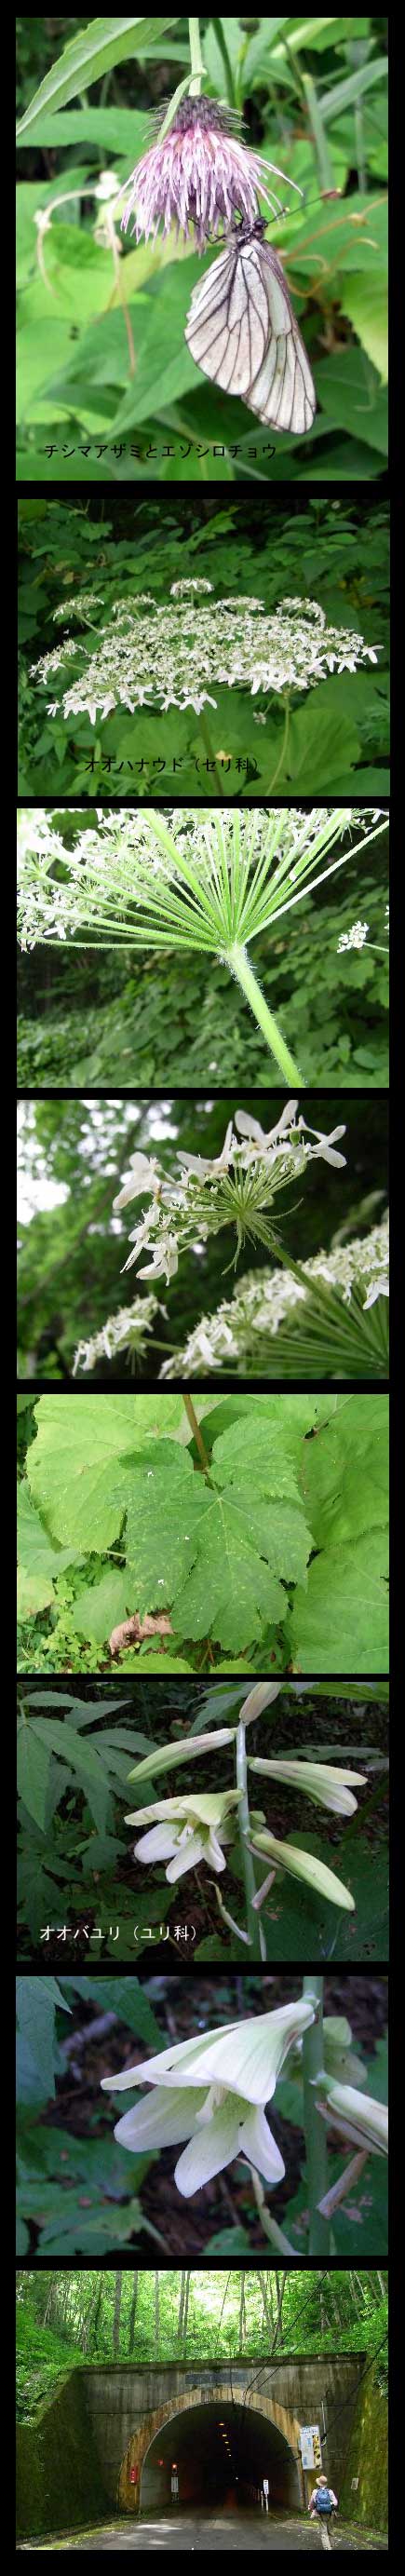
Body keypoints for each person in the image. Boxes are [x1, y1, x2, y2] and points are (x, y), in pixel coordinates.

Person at [308, 2476, 338, 2550]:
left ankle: (327, 2548)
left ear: (319, 2483)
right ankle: (332, 2546)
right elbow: (335, 2503)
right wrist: (329, 2506)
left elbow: (311, 2503)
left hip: (320, 2514)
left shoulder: (315, 2491)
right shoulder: (330, 2491)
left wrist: (310, 2508)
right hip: (330, 2514)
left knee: (324, 2533)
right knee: (330, 2531)